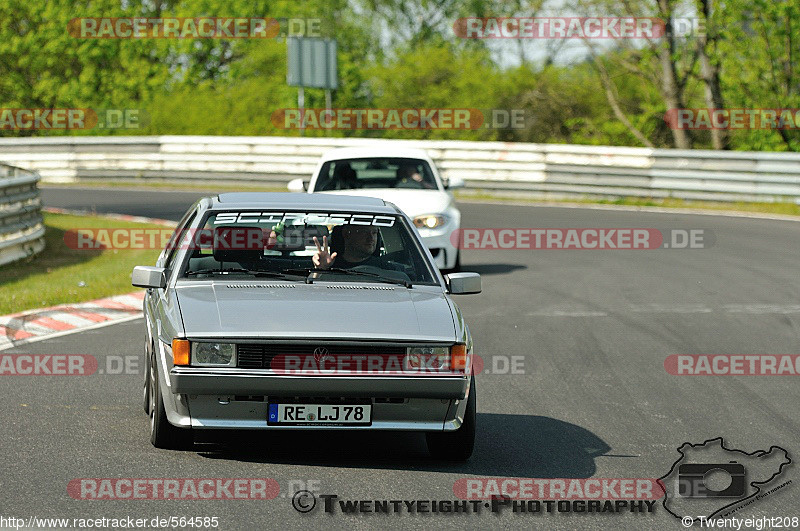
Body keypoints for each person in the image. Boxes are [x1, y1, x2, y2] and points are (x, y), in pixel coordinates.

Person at [312, 224, 379, 269]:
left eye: (374, 233)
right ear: (346, 234)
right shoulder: (331, 266)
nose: (371, 238)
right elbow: (315, 287)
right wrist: (320, 270)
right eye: (364, 232)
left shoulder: (384, 268)